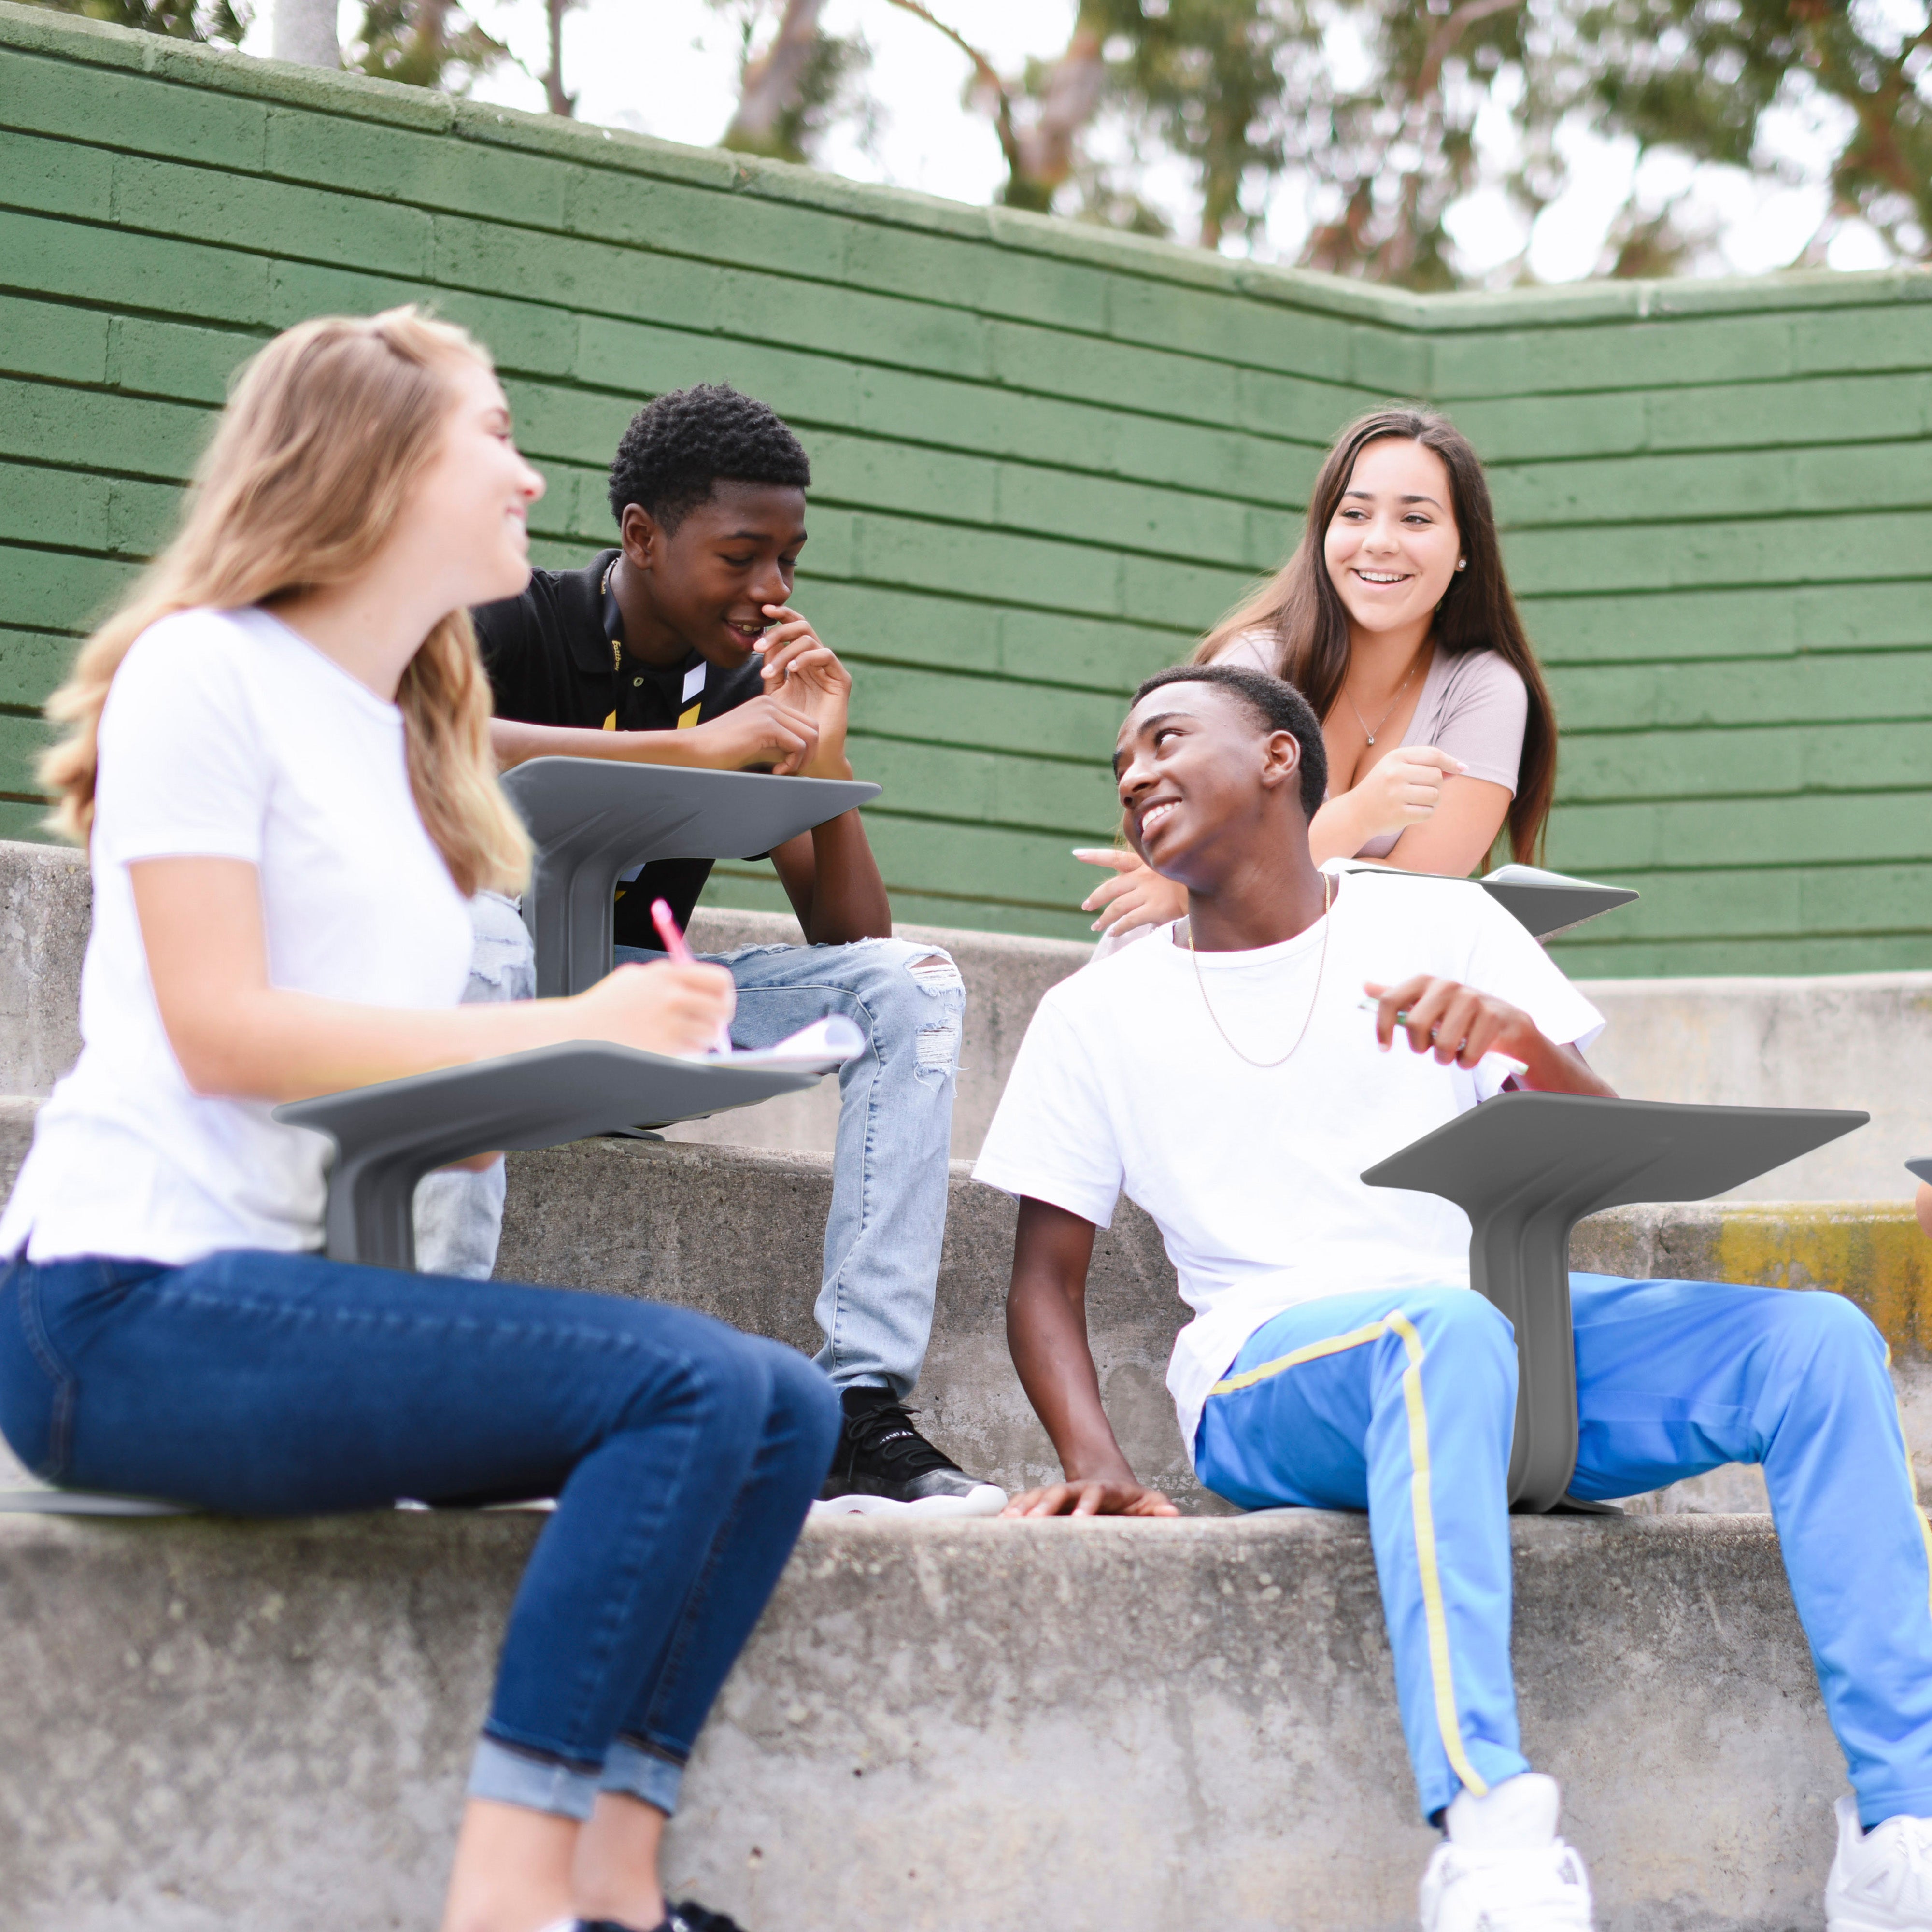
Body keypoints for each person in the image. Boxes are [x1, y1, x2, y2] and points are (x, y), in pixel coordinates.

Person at [0, 308, 840, 1932]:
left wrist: (624, 1064)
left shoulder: (398, 733)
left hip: (287, 1292)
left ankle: (617, 1875)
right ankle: (508, 1904)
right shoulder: (204, 671)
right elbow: (217, 1029)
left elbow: (403, 1096)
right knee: (679, 1387)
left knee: (788, 1410)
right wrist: (564, 1024)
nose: (531, 477)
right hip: (119, 1305)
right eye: (498, 436)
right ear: (378, 466)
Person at [976, 660, 1932, 1932]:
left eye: (1164, 739)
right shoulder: (1094, 1013)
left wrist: (1523, 1047)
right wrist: (1094, 1457)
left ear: (1279, 756)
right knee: (1445, 1336)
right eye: (1121, 765)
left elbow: (1612, 1152)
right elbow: (1045, 1279)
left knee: (1814, 1342)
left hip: (1491, 1338)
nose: (1136, 772)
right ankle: (1489, 1836)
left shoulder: (1449, 925)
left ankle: (1902, 1831)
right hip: (1274, 1377)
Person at [464, 381, 1002, 1519]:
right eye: (742, 557)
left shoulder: (756, 685)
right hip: (484, 1005)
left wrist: (820, 758)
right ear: (642, 535)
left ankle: (859, 1409)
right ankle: (429, 1369)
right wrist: (703, 749)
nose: (771, 592)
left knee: (910, 985)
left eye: (790, 562)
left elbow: (850, 940)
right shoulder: (514, 617)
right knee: (476, 933)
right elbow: (431, 741)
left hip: (641, 1010)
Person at [1075, 406, 1559, 947]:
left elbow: (1416, 898)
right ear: (1323, 531)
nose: (1379, 541)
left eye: (1415, 519)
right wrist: (1358, 815)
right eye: (1354, 514)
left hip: (1353, 984)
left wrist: (1221, 881)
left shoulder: (1485, 688)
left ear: (1466, 547)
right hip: (1193, 972)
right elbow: (1212, 873)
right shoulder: (1253, 666)